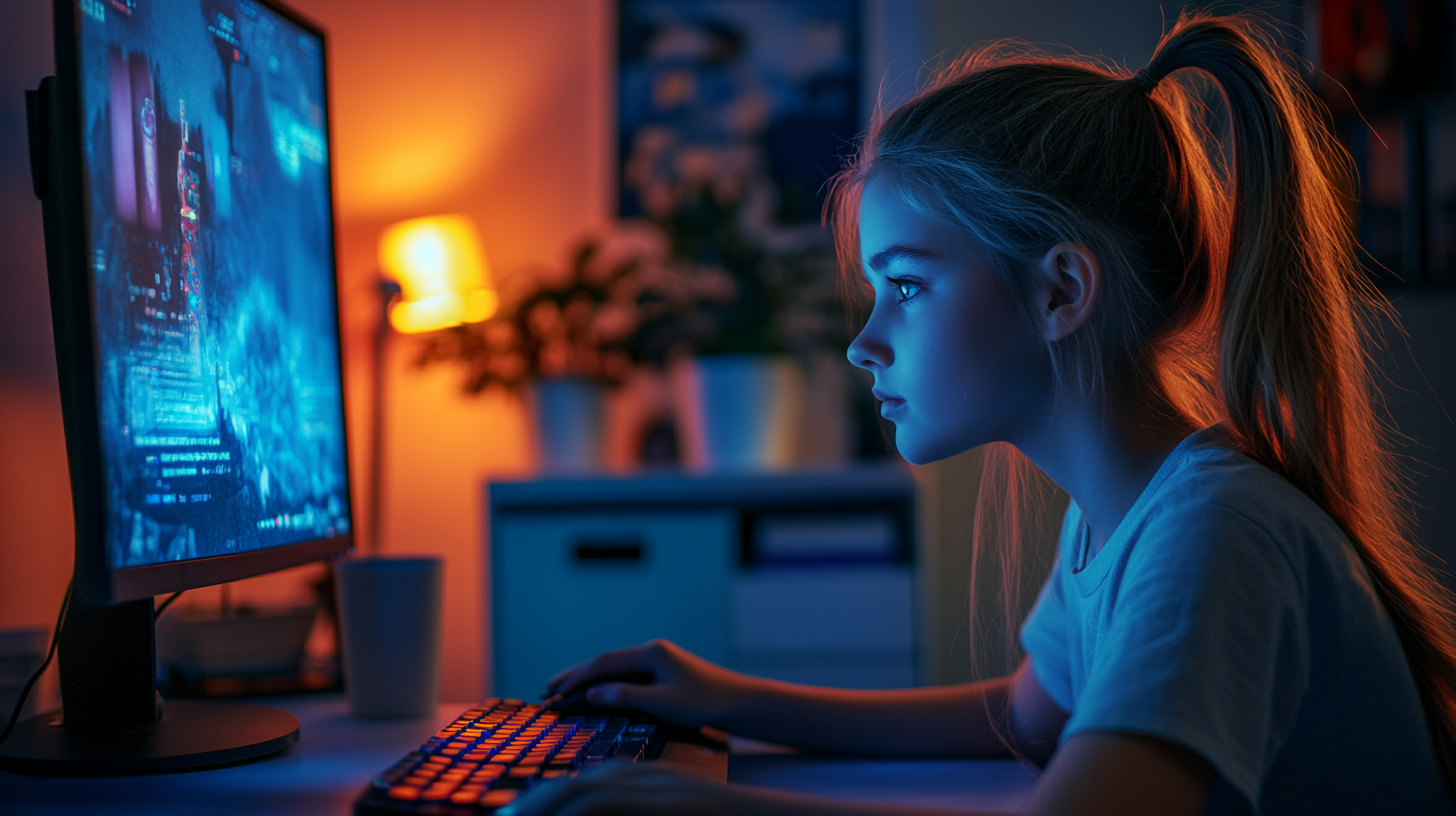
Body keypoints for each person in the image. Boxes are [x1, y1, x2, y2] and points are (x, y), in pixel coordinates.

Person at [501, 12, 1456, 816]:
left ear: (1060, 293)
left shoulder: (1216, 531)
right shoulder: (1126, 512)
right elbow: (1028, 713)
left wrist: (704, 807)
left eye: (907, 286)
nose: (863, 342)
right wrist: (724, 697)